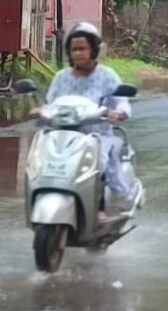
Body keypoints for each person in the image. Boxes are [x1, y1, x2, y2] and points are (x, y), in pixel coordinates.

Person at [45, 22, 134, 207]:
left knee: (98, 164)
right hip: (64, 137)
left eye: (82, 49)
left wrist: (119, 112)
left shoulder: (107, 75)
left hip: (98, 136)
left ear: (93, 50)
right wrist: (41, 110)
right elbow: (51, 102)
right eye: (73, 49)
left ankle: (99, 207)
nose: (77, 53)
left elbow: (121, 100)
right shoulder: (61, 77)